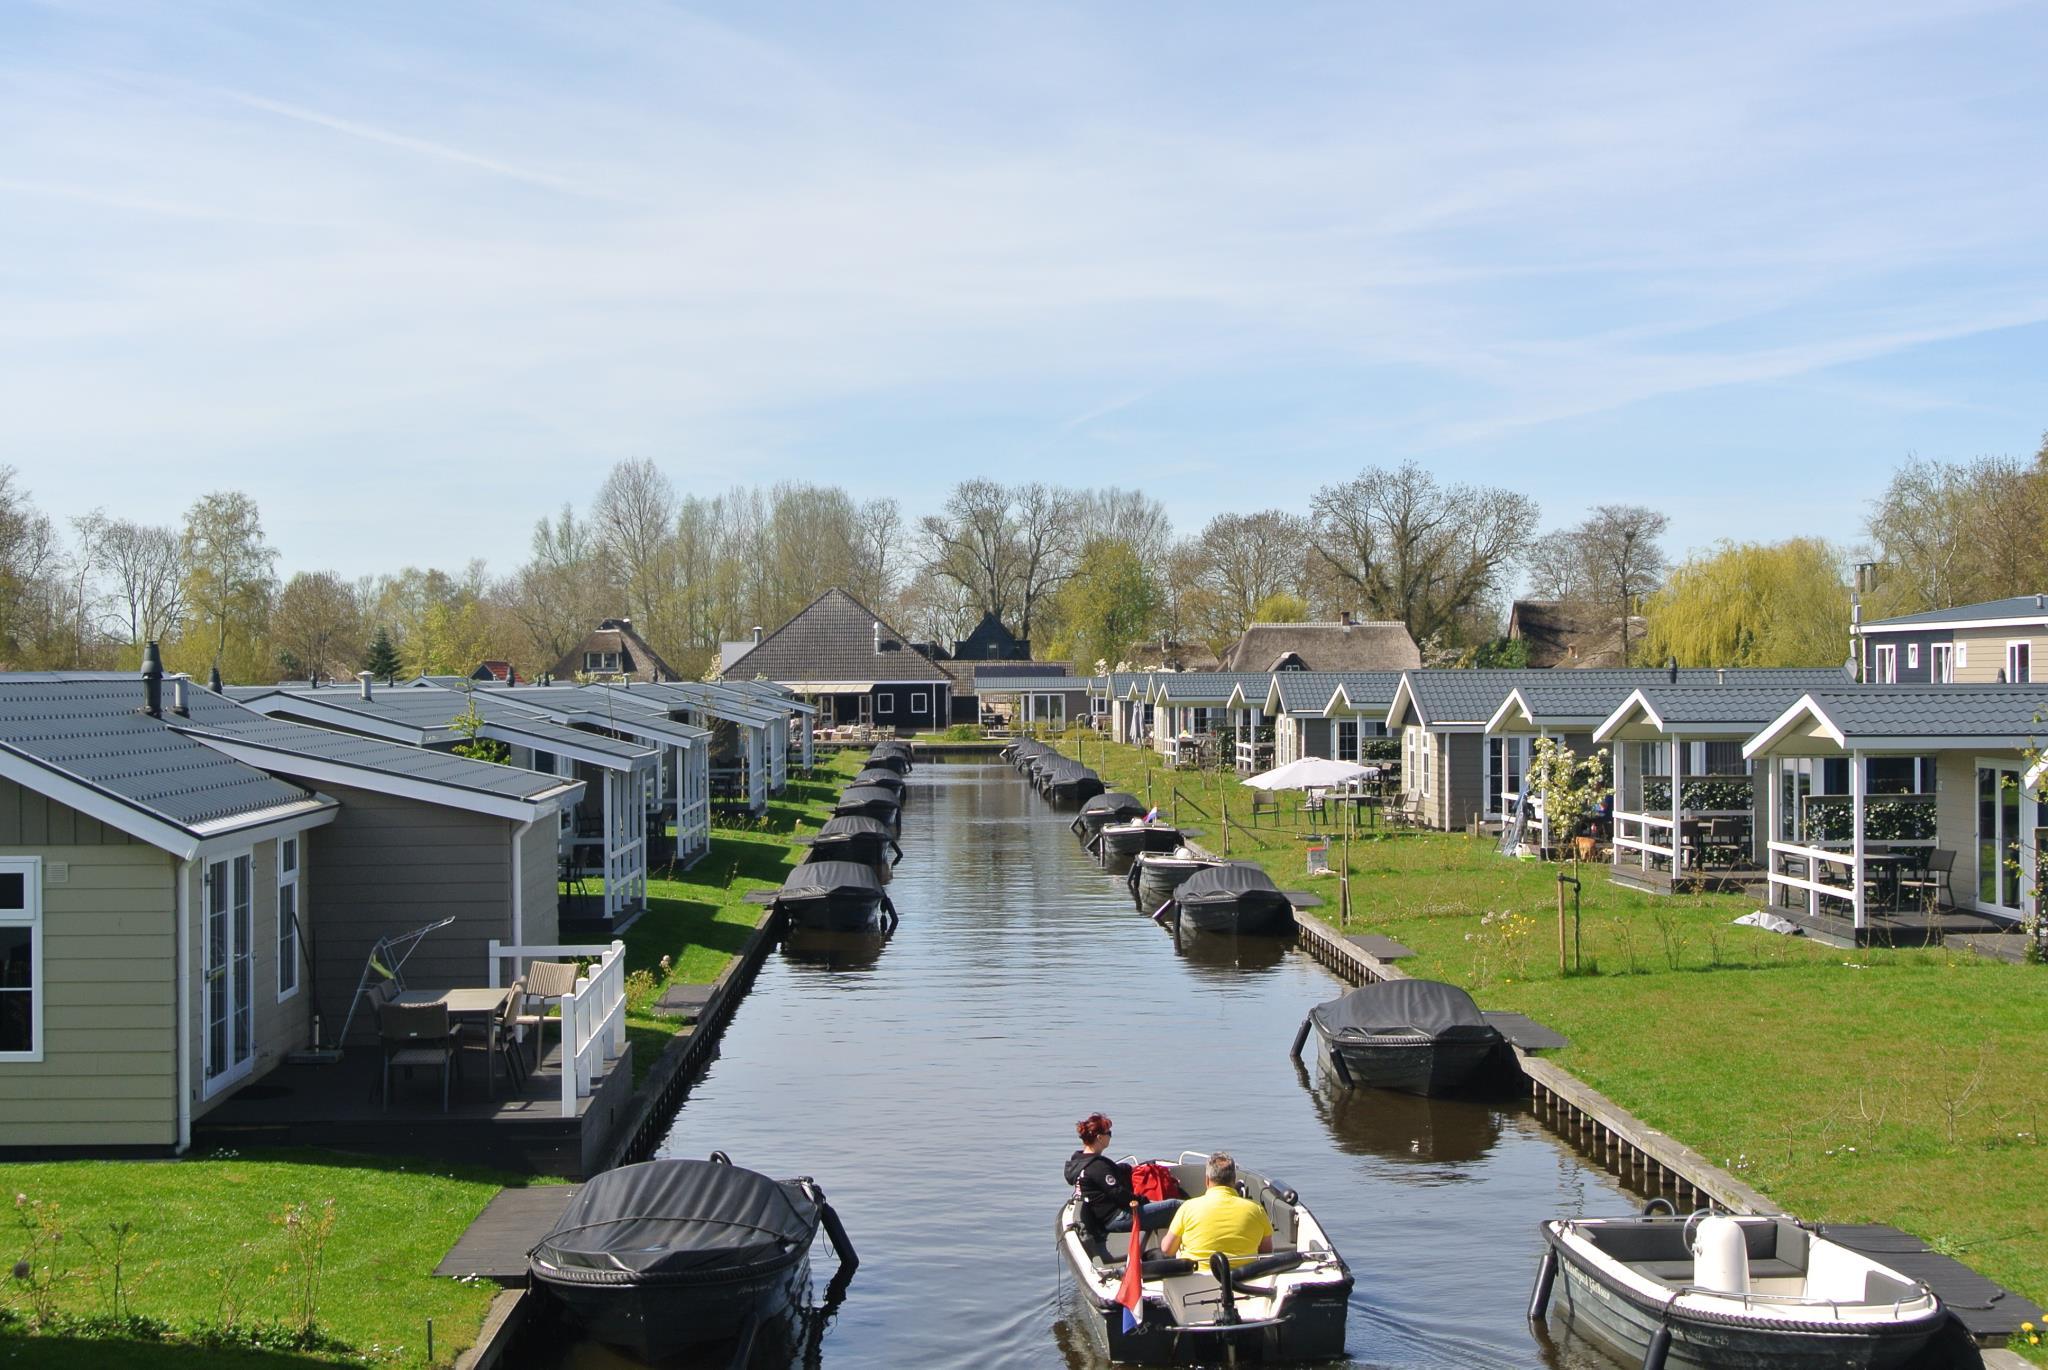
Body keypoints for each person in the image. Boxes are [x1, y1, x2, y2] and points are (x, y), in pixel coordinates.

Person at [1064, 1113, 1179, 1238]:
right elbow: (1119, 1193)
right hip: (1117, 1217)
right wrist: (1144, 1200)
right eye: (1109, 1133)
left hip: (1104, 1217)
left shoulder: (1081, 1162)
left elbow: (1108, 1175)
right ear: (1099, 1138)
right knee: (1175, 1206)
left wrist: (1128, 1169)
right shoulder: (1097, 1166)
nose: (1110, 1136)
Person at [1161, 1152, 1273, 1267]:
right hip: (1242, 1277)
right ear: (1234, 1180)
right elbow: (1266, 1253)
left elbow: (1167, 1249)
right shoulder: (1257, 1210)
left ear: (1207, 1180)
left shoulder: (1187, 1208)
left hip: (1197, 1276)